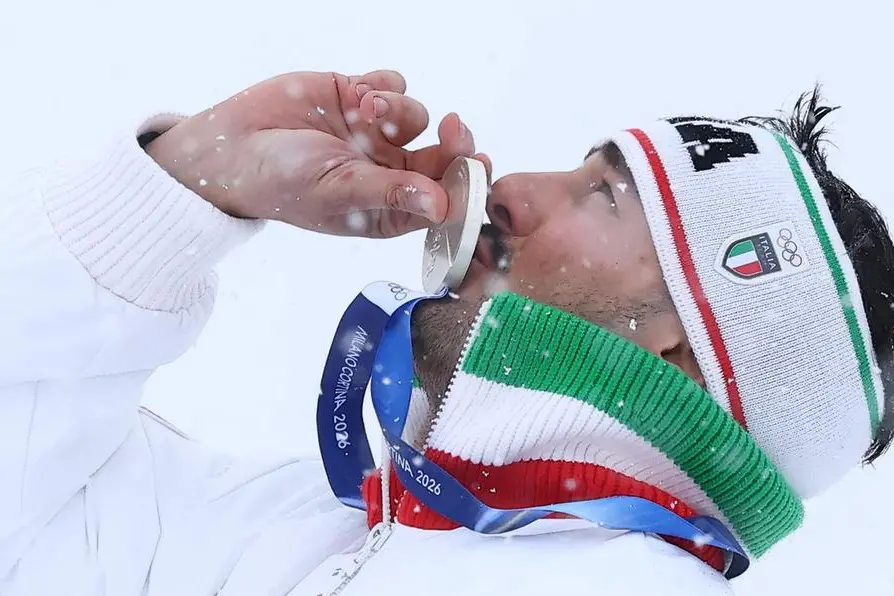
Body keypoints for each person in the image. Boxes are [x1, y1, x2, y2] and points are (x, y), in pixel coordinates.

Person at [1, 68, 891, 596]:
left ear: (682, 355)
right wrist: (173, 198)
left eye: (603, 196)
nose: (511, 188)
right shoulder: (323, 528)